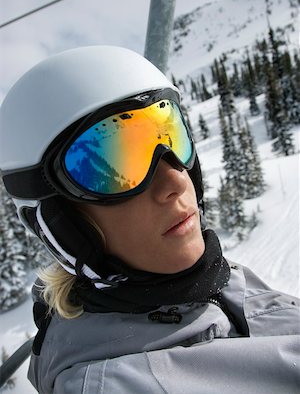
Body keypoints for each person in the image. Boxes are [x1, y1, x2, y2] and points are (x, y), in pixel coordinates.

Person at [0, 46, 299, 394]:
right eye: (114, 167)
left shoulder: (220, 282)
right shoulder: (118, 383)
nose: (176, 182)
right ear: (62, 225)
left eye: (170, 135)